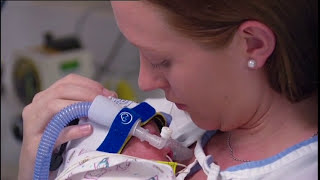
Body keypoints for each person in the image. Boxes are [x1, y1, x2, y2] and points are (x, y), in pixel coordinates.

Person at [18, 0, 318, 179]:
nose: (144, 82)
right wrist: (36, 163)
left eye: (160, 59)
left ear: (252, 44)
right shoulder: (164, 120)